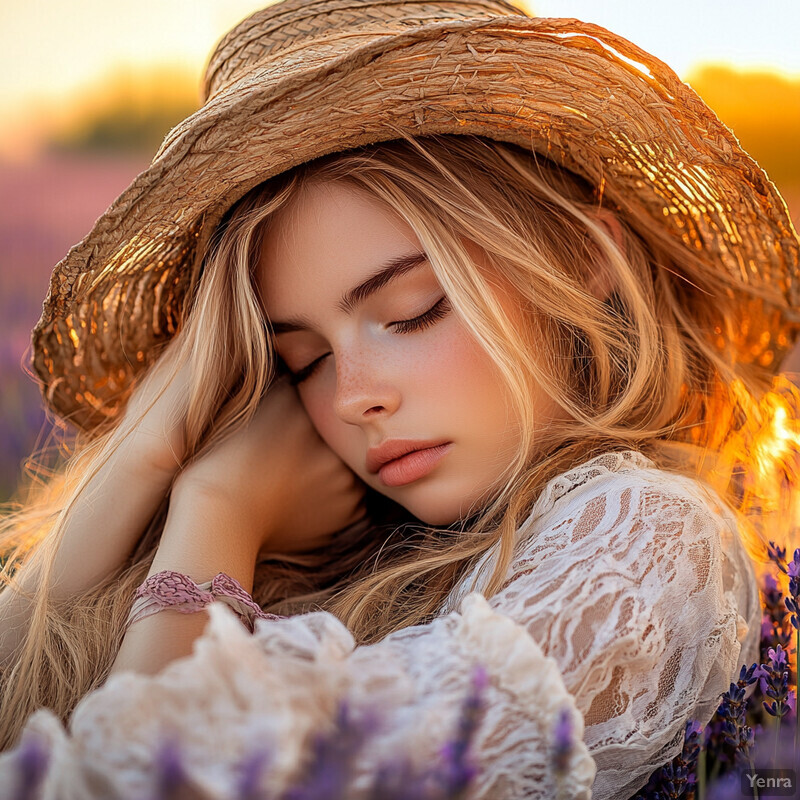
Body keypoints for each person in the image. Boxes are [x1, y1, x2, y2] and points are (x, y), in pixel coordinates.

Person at [0, 0, 797, 797]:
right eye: (302, 359)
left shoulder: (644, 534)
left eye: (410, 311)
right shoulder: (341, 542)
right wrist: (145, 452)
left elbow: (150, 782)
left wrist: (219, 505)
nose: (353, 399)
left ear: (585, 257)